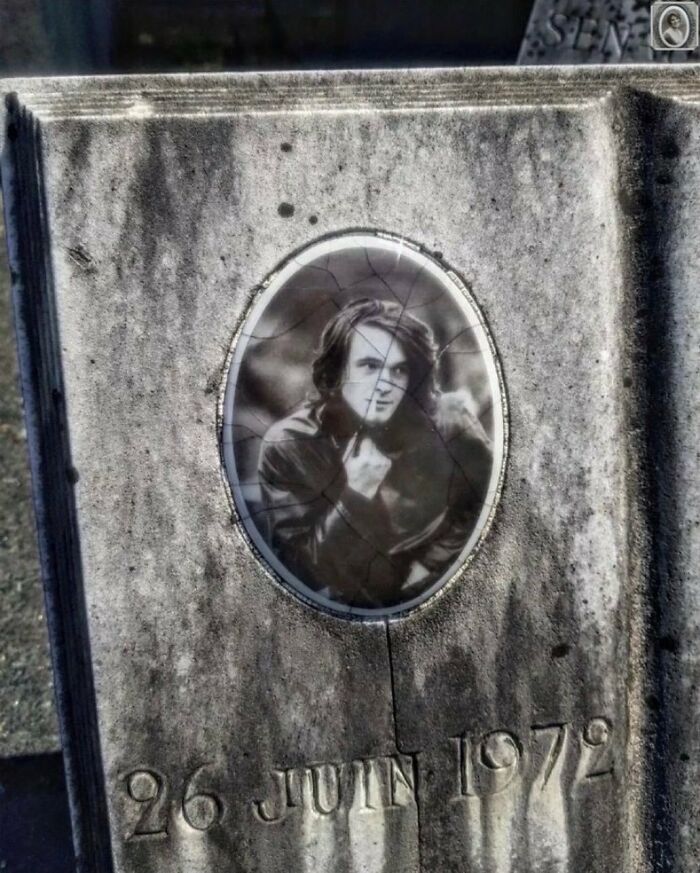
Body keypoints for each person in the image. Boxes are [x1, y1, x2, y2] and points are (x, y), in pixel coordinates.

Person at [256, 297, 493, 610]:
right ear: (337, 370)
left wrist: (428, 568)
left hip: (441, 594)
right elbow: (299, 573)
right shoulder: (289, 445)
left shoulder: (448, 419)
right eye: (369, 366)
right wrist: (355, 495)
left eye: (399, 371)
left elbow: (484, 497)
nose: (385, 385)